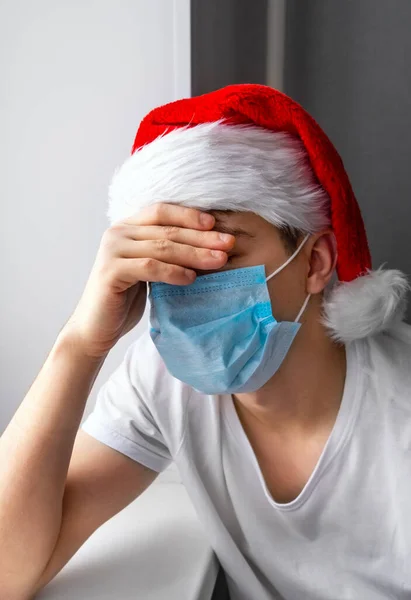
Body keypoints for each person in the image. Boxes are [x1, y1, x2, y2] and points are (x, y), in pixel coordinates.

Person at [1, 84, 411, 600]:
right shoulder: (161, 381)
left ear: (315, 262)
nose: (187, 281)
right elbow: (6, 568)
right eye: (167, 256)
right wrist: (82, 344)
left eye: (220, 254)